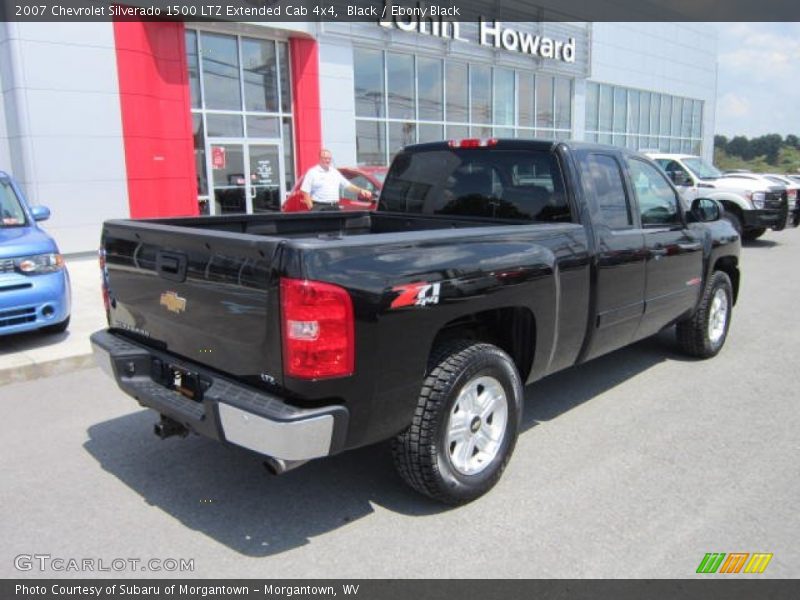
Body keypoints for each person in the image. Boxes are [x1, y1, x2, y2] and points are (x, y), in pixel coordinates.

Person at [300, 149, 372, 210]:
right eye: (325, 158)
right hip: (319, 207)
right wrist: (312, 208)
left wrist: (361, 190)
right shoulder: (312, 172)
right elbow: (305, 191)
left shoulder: (334, 172)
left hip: (334, 207)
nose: (327, 160)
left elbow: (348, 185)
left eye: (329, 158)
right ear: (319, 158)